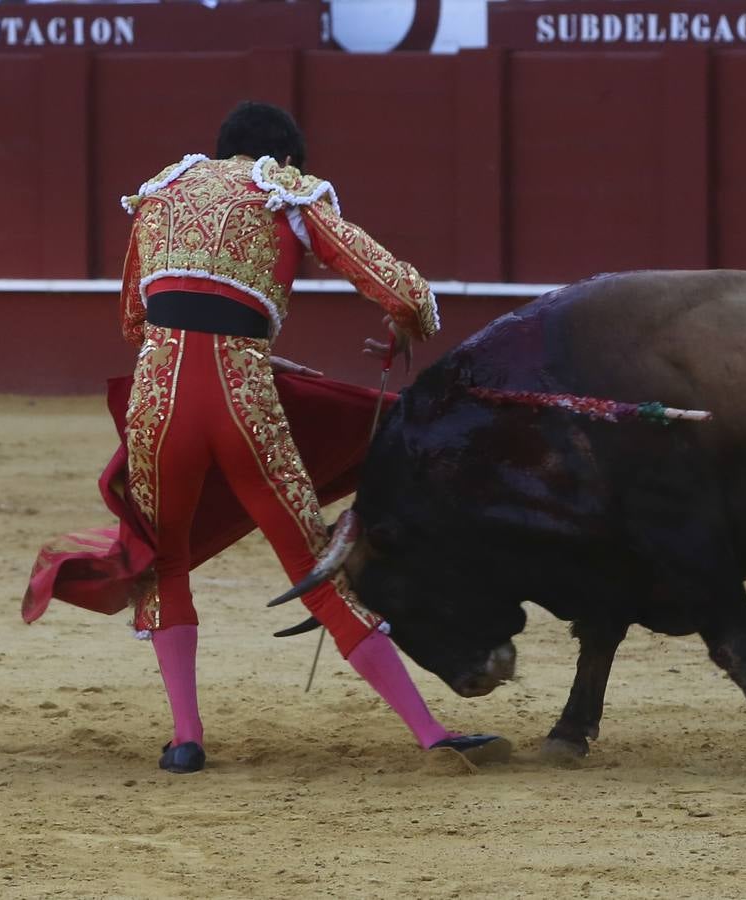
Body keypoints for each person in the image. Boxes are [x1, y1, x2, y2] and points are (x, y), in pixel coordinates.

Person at [116, 100, 504, 773]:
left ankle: (186, 739)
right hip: (240, 399)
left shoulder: (161, 191)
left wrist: (225, 341)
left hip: (157, 396)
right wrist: (406, 327)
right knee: (313, 567)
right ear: (285, 159)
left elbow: (135, 321)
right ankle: (431, 734)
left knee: (166, 562)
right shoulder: (285, 191)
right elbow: (405, 296)